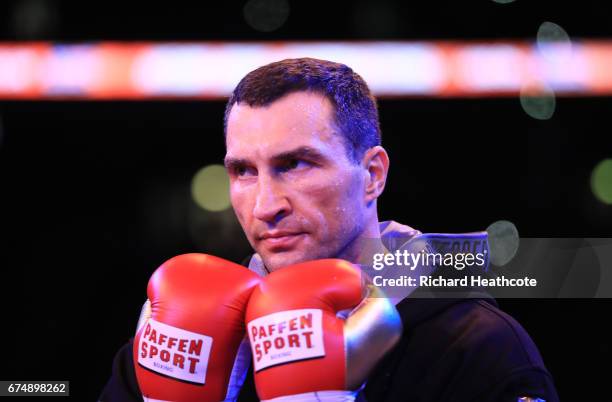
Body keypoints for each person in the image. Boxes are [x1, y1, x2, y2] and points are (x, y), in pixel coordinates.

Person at [100, 58, 559, 401]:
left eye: (295, 164)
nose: (265, 206)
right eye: (243, 171)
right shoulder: (178, 340)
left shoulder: (474, 345)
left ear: (373, 174)